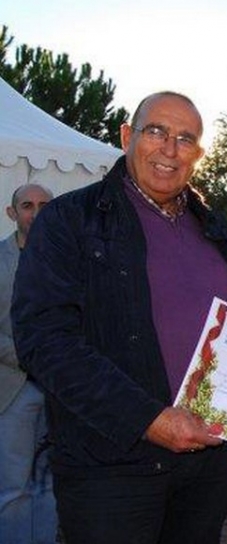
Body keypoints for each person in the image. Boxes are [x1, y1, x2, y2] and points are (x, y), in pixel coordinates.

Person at [11, 91, 227, 544]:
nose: (170, 149)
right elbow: (43, 340)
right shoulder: (70, 220)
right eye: (157, 132)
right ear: (127, 136)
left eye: (185, 139)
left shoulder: (216, 230)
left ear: (198, 154)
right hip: (110, 465)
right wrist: (147, 418)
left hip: (205, 462)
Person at [0, 183, 56, 543]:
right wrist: (31, 357)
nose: (35, 213)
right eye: (27, 205)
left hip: (59, 389)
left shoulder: (69, 260)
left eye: (43, 206)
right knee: (13, 487)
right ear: (12, 213)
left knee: (50, 483)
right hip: (12, 388)